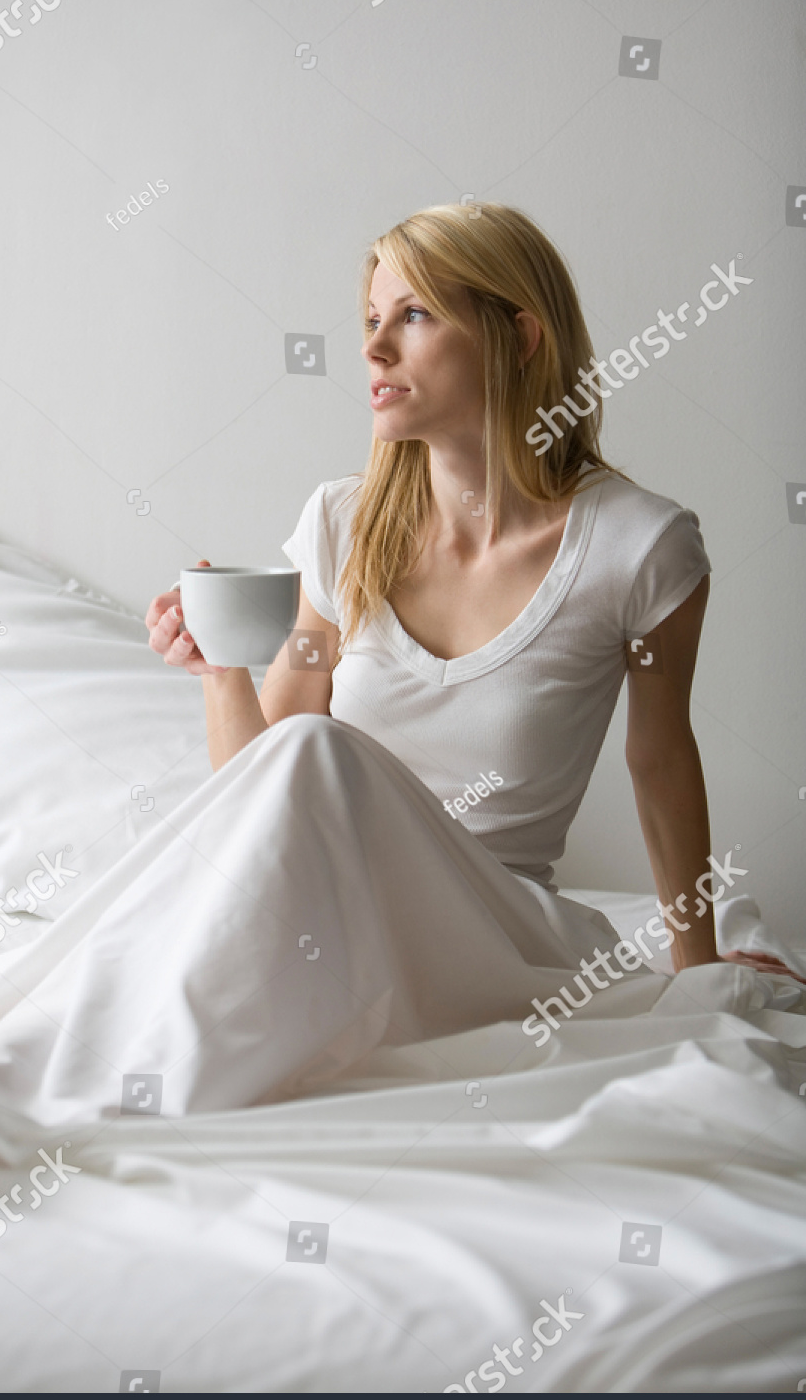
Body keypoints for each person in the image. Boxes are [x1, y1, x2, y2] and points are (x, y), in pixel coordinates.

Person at [148, 201, 793, 985]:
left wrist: (698, 974)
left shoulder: (639, 549)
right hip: (324, 913)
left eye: (413, 316)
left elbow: (660, 764)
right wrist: (220, 667)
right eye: (371, 318)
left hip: (494, 936)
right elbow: (261, 797)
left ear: (517, 339)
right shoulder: (342, 527)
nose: (373, 347)